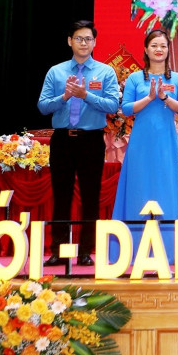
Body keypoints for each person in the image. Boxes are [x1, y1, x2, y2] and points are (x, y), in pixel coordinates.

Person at [37, 20, 120, 267]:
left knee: (90, 197)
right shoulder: (56, 72)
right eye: (79, 38)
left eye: (88, 39)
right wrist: (64, 96)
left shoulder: (105, 72)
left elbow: (112, 105)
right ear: (69, 41)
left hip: (91, 140)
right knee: (61, 196)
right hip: (62, 140)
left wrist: (86, 95)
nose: (84, 43)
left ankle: (85, 251)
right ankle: (59, 251)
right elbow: (43, 106)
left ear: (94, 43)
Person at [109, 29, 178, 264]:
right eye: (154, 45)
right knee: (139, 189)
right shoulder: (136, 78)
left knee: (166, 190)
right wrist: (149, 97)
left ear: (168, 50)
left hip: (166, 142)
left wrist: (164, 98)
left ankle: (168, 251)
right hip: (141, 144)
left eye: (163, 46)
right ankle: (133, 251)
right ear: (146, 49)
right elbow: (126, 109)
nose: (158, 50)